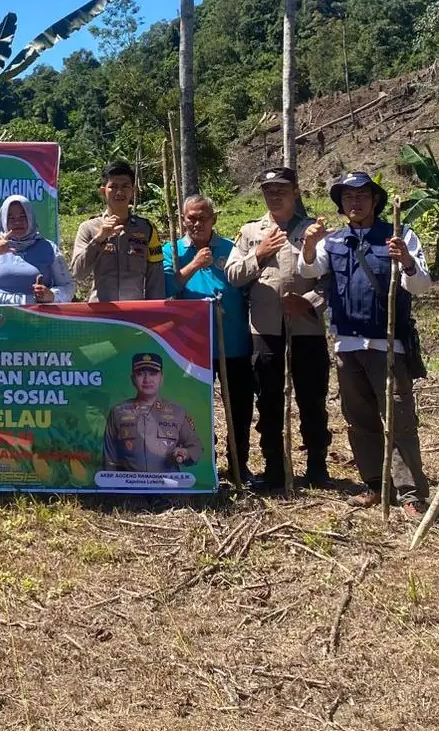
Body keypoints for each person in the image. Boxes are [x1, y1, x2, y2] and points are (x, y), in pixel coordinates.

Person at [299, 171, 432, 513]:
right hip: (347, 346)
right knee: (360, 420)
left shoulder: (399, 236)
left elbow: (420, 285)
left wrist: (404, 260)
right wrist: (310, 245)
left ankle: (411, 494)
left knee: (400, 420)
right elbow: (309, 271)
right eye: (347, 197)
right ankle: (375, 484)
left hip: (388, 346)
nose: (354, 202)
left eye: (361, 196)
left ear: (375, 201)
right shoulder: (334, 241)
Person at [224, 167, 331, 490]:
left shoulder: (314, 230)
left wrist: (310, 301)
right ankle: (273, 467)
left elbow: (331, 279)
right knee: (268, 401)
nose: (275, 194)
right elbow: (233, 275)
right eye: (269, 189)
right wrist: (259, 253)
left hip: (306, 330)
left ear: (296, 192)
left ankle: (316, 467)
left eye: (282, 188)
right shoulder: (250, 232)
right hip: (265, 329)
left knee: (312, 399)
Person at [164, 194, 253, 481]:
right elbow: (164, 288)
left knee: (238, 410)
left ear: (214, 219)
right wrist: (193, 266)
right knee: (196, 411)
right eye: (191, 217)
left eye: (203, 217)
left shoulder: (233, 248)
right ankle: (205, 465)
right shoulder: (172, 251)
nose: (197, 223)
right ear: (182, 219)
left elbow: (246, 284)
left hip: (234, 345)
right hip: (191, 349)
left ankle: (240, 465)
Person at [71, 160, 163, 302]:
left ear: (133, 190)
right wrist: (99, 239)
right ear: (103, 191)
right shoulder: (88, 228)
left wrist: (154, 314)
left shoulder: (147, 229)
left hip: (135, 314)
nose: (119, 192)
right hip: (101, 314)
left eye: (125, 186)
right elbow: (78, 273)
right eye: (113, 187)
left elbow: (155, 278)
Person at [101, 353, 203, 471]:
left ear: (161, 378)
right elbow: (109, 458)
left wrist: (185, 452)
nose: (147, 379)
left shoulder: (178, 412)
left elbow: (196, 447)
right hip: (129, 487)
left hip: (168, 486)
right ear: (133, 379)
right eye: (140, 374)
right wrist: (111, 486)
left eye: (153, 374)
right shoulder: (118, 412)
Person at [0, 194, 73, 305]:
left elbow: (68, 287)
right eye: (11, 218)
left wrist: (51, 295)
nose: (17, 222)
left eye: (23, 217)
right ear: (3, 220)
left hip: (37, 318)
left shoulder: (49, 248)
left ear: (31, 218)